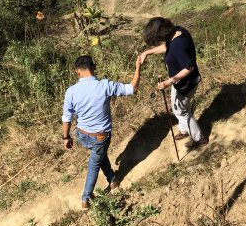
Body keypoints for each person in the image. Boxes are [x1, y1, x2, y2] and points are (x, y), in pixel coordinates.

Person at [62, 55, 140, 211]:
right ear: (94, 67)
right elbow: (132, 88)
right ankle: (86, 199)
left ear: (77, 71)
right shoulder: (105, 86)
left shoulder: (71, 91)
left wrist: (66, 137)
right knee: (94, 164)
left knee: (99, 154)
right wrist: (138, 67)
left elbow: (67, 117)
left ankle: (112, 179)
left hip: (82, 135)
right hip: (100, 137)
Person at [137, 17, 208, 150]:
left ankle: (199, 138)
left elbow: (189, 67)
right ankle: (184, 130)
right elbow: (167, 46)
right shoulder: (178, 31)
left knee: (182, 111)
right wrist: (147, 52)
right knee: (177, 107)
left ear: (160, 35)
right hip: (181, 82)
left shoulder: (177, 45)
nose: (157, 42)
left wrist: (169, 82)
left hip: (186, 83)